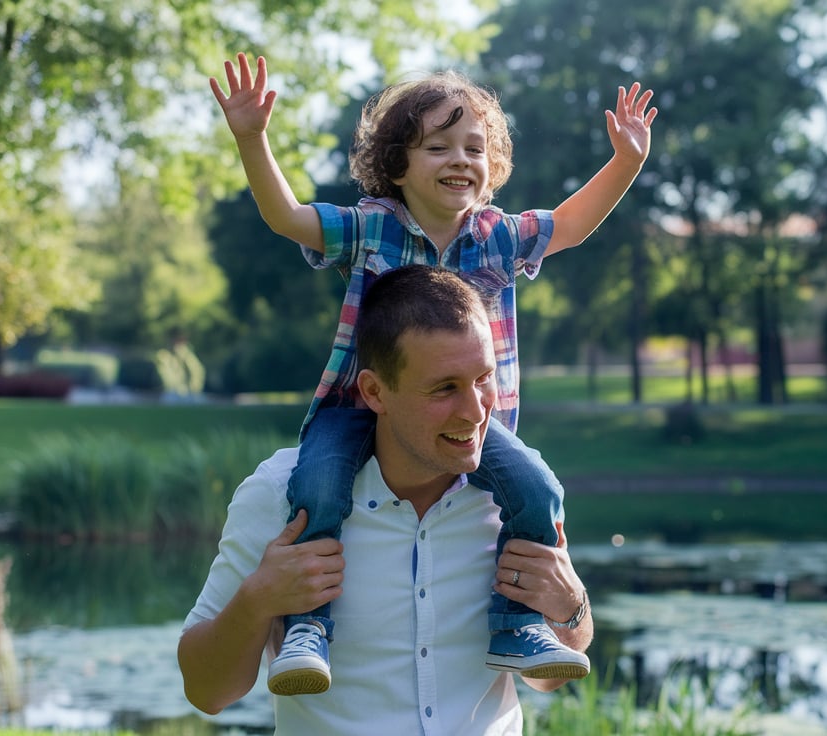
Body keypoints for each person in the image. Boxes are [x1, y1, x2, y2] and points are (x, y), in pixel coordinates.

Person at [208, 52, 655, 695]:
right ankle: (308, 628)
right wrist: (252, 138)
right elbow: (287, 217)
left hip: (467, 421)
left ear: (493, 165)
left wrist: (626, 162)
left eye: (475, 147)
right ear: (397, 165)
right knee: (318, 483)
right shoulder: (370, 228)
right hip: (355, 406)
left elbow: (576, 224)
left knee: (537, 488)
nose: (460, 160)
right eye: (438, 146)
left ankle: (517, 624)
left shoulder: (497, 238)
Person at [179, 265, 595, 734]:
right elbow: (206, 692)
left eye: (483, 378)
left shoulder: (519, 497)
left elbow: (548, 681)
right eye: (445, 388)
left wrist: (571, 608)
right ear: (375, 391)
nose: (477, 410)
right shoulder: (281, 495)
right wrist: (256, 601)